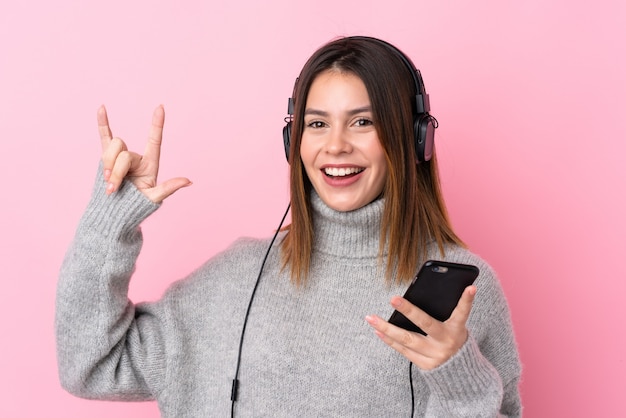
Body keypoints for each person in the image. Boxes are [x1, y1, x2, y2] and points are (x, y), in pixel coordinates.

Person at [56, 36, 522, 417]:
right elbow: (92, 365)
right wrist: (110, 223)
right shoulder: (237, 277)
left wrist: (459, 379)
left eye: (362, 121)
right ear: (293, 140)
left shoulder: (460, 290)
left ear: (413, 137)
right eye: (316, 124)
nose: (334, 145)